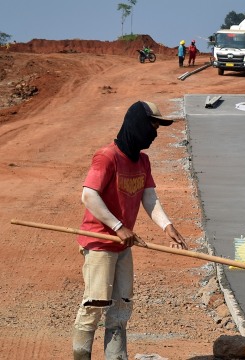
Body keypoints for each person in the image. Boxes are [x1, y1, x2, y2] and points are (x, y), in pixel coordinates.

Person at [71, 100, 188, 360]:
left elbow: (149, 197)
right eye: (152, 126)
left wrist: (167, 225)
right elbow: (89, 196)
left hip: (123, 244)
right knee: (95, 303)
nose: (155, 134)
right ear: (136, 124)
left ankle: (116, 357)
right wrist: (118, 226)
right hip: (99, 242)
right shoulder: (107, 156)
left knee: (122, 305)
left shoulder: (143, 161)